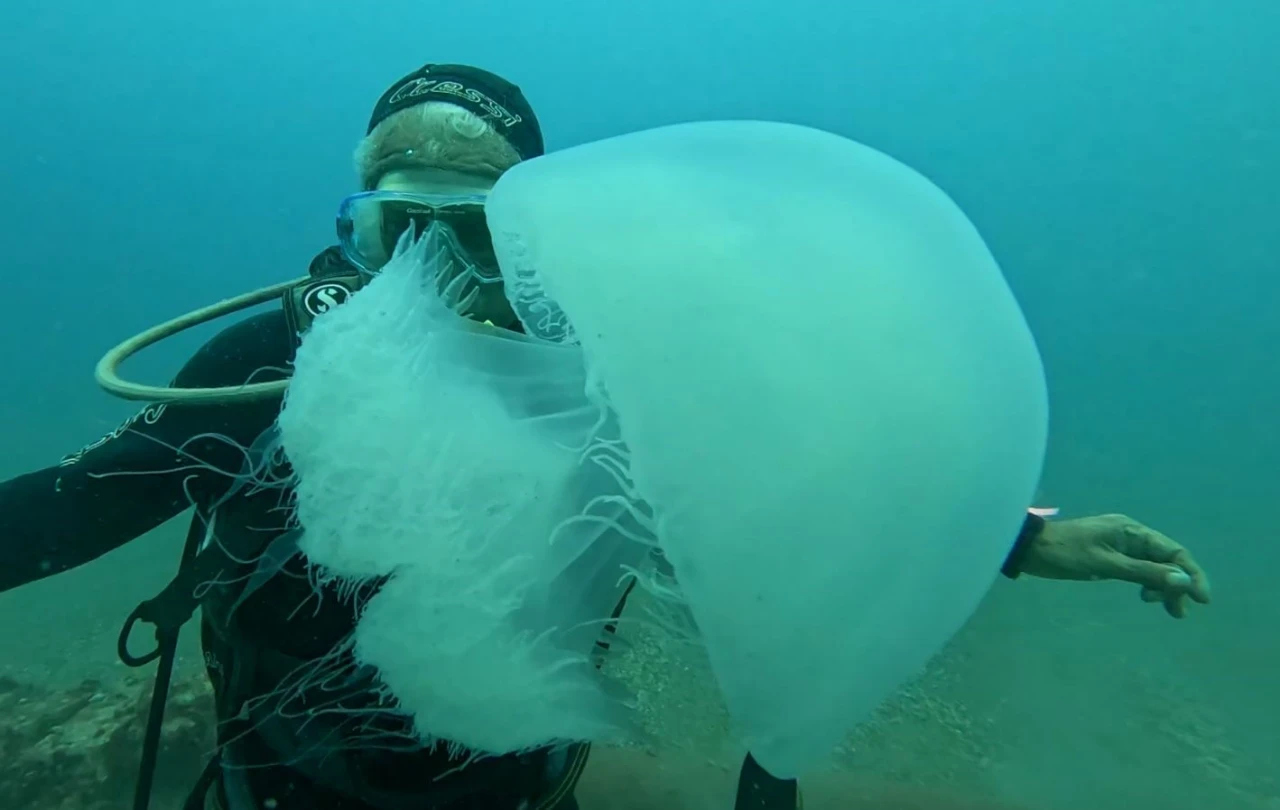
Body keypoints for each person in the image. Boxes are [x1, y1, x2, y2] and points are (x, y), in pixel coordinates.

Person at [0, 62, 1212, 810]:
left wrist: (1013, 535)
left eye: (466, 233)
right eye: (391, 231)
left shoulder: (608, 382)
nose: (424, 273)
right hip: (273, 789)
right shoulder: (266, 365)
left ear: (535, 235)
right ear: (350, 233)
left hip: (525, 795)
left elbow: (766, 509)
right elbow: (84, 500)